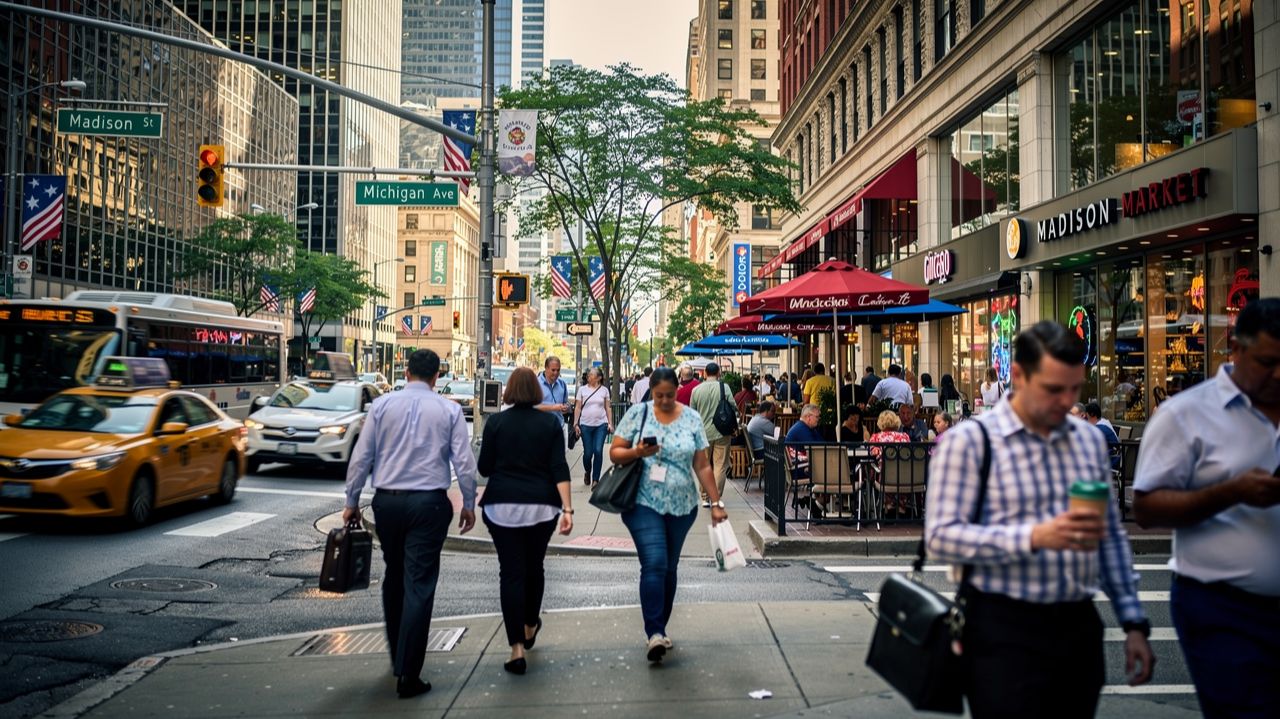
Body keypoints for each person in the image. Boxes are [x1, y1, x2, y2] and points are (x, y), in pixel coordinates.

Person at [926, 321, 1154, 717]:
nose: (1065, 401)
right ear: (1018, 376)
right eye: (1053, 389)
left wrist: (1133, 620)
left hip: (1076, 625)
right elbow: (942, 537)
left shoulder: (1086, 440)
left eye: (1074, 389)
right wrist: (1032, 537)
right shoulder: (971, 441)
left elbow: (1108, 535)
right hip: (1002, 626)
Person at [1132, 298, 1280, 718]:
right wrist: (1230, 492)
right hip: (1224, 609)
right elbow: (1146, 509)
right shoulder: (1186, 415)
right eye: (1268, 362)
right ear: (1235, 348)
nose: (1278, 375)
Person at [342, 349, 478, 699]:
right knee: (419, 581)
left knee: (395, 574)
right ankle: (408, 672)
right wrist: (468, 503)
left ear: (406, 371)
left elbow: (362, 457)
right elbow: (464, 462)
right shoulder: (448, 410)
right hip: (429, 503)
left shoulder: (383, 406)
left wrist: (351, 501)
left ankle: (398, 657)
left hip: (387, 502)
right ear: (437, 376)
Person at [609, 367, 728, 662]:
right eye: (658, 395)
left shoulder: (691, 418)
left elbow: (702, 464)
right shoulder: (638, 414)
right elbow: (615, 452)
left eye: (669, 395)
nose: (664, 400)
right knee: (655, 562)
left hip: (682, 505)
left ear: (677, 391)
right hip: (642, 502)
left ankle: (660, 625)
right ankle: (654, 633)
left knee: (670, 568)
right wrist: (637, 452)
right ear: (651, 391)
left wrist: (715, 503)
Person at [477, 367, 574, 675]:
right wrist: (568, 510)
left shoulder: (496, 423)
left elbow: (485, 467)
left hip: (501, 505)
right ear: (536, 390)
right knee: (535, 567)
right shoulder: (548, 424)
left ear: (508, 391)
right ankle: (531, 623)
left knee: (511, 573)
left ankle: (516, 647)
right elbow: (559, 467)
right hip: (541, 507)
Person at [690, 362, 737, 508]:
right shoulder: (725, 387)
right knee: (720, 465)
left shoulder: (696, 390)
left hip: (702, 433)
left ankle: (704, 497)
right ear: (718, 373)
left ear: (704, 372)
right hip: (722, 432)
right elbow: (733, 406)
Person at [573, 367, 614, 486]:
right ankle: (587, 471)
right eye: (588, 375)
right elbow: (578, 407)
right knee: (588, 454)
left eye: (591, 375)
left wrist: (610, 423)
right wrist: (576, 423)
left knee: (598, 451)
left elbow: (608, 407)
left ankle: (596, 479)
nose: (588, 376)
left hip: (601, 424)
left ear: (599, 378)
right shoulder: (582, 390)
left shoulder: (604, 390)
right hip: (585, 425)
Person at [535, 356, 571, 437]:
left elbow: (566, 402)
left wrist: (567, 407)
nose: (556, 373)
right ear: (546, 368)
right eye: (553, 370)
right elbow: (531, 406)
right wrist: (553, 407)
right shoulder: (535, 383)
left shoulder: (562, 384)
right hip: (540, 428)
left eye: (558, 370)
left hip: (559, 427)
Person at [1083, 401, 1121, 470]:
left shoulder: (1099, 428)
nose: (1086, 418)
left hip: (1110, 461)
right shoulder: (1104, 423)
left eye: (1087, 415)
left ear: (1092, 414)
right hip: (1113, 458)